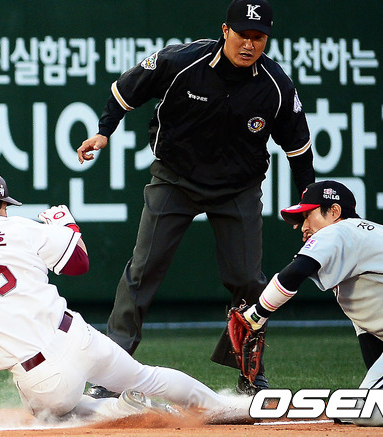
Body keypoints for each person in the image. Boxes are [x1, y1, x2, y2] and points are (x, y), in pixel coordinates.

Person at [77, 0, 315, 397]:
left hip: (237, 188)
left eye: (258, 38)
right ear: (225, 31)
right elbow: (126, 90)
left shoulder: (275, 85)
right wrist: (104, 131)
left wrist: (310, 210)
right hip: (176, 179)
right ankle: (112, 373)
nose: (249, 44)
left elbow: (299, 151)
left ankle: (251, 374)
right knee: (143, 269)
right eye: (242, 35)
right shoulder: (182, 61)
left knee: (247, 281)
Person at [0, 170, 252, 426]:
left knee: (52, 416)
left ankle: (122, 410)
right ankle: (226, 407)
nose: (6, 211)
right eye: (4, 206)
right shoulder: (17, 228)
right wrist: (68, 226)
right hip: (77, 336)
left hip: (42, 377)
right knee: (146, 376)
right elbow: (78, 263)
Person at [240, 180, 383, 426]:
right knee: (360, 407)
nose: (303, 226)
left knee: (368, 407)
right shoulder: (370, 242)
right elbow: (371, 340)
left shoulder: (340, 230)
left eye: (308, 215)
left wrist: (256, 315)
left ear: (334, 211)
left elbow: (294, 273)